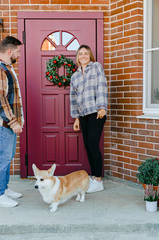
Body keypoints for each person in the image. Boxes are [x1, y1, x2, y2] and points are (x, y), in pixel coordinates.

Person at [0, 36, 24, 207]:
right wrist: (13, 122)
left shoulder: (6, 68)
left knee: (7, 157)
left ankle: (4, 188)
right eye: (18, 51)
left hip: (8, 122)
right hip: (3, 122)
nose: (19, 55)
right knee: (2, 157)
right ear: (10, 51)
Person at [70, 45, 108, 193]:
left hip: (96, 112)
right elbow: (73, 98)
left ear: (90, 55)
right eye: (81, 54)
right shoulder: (75, 76)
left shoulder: (96, 67)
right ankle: (94, 177)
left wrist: (102, 107)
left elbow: (102, 86)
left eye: (86, 53)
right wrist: (76, 118)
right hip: (83, 114)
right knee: (87, 146)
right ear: (78, 57)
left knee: (93, 145)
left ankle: (98, 179)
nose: (83, 56)